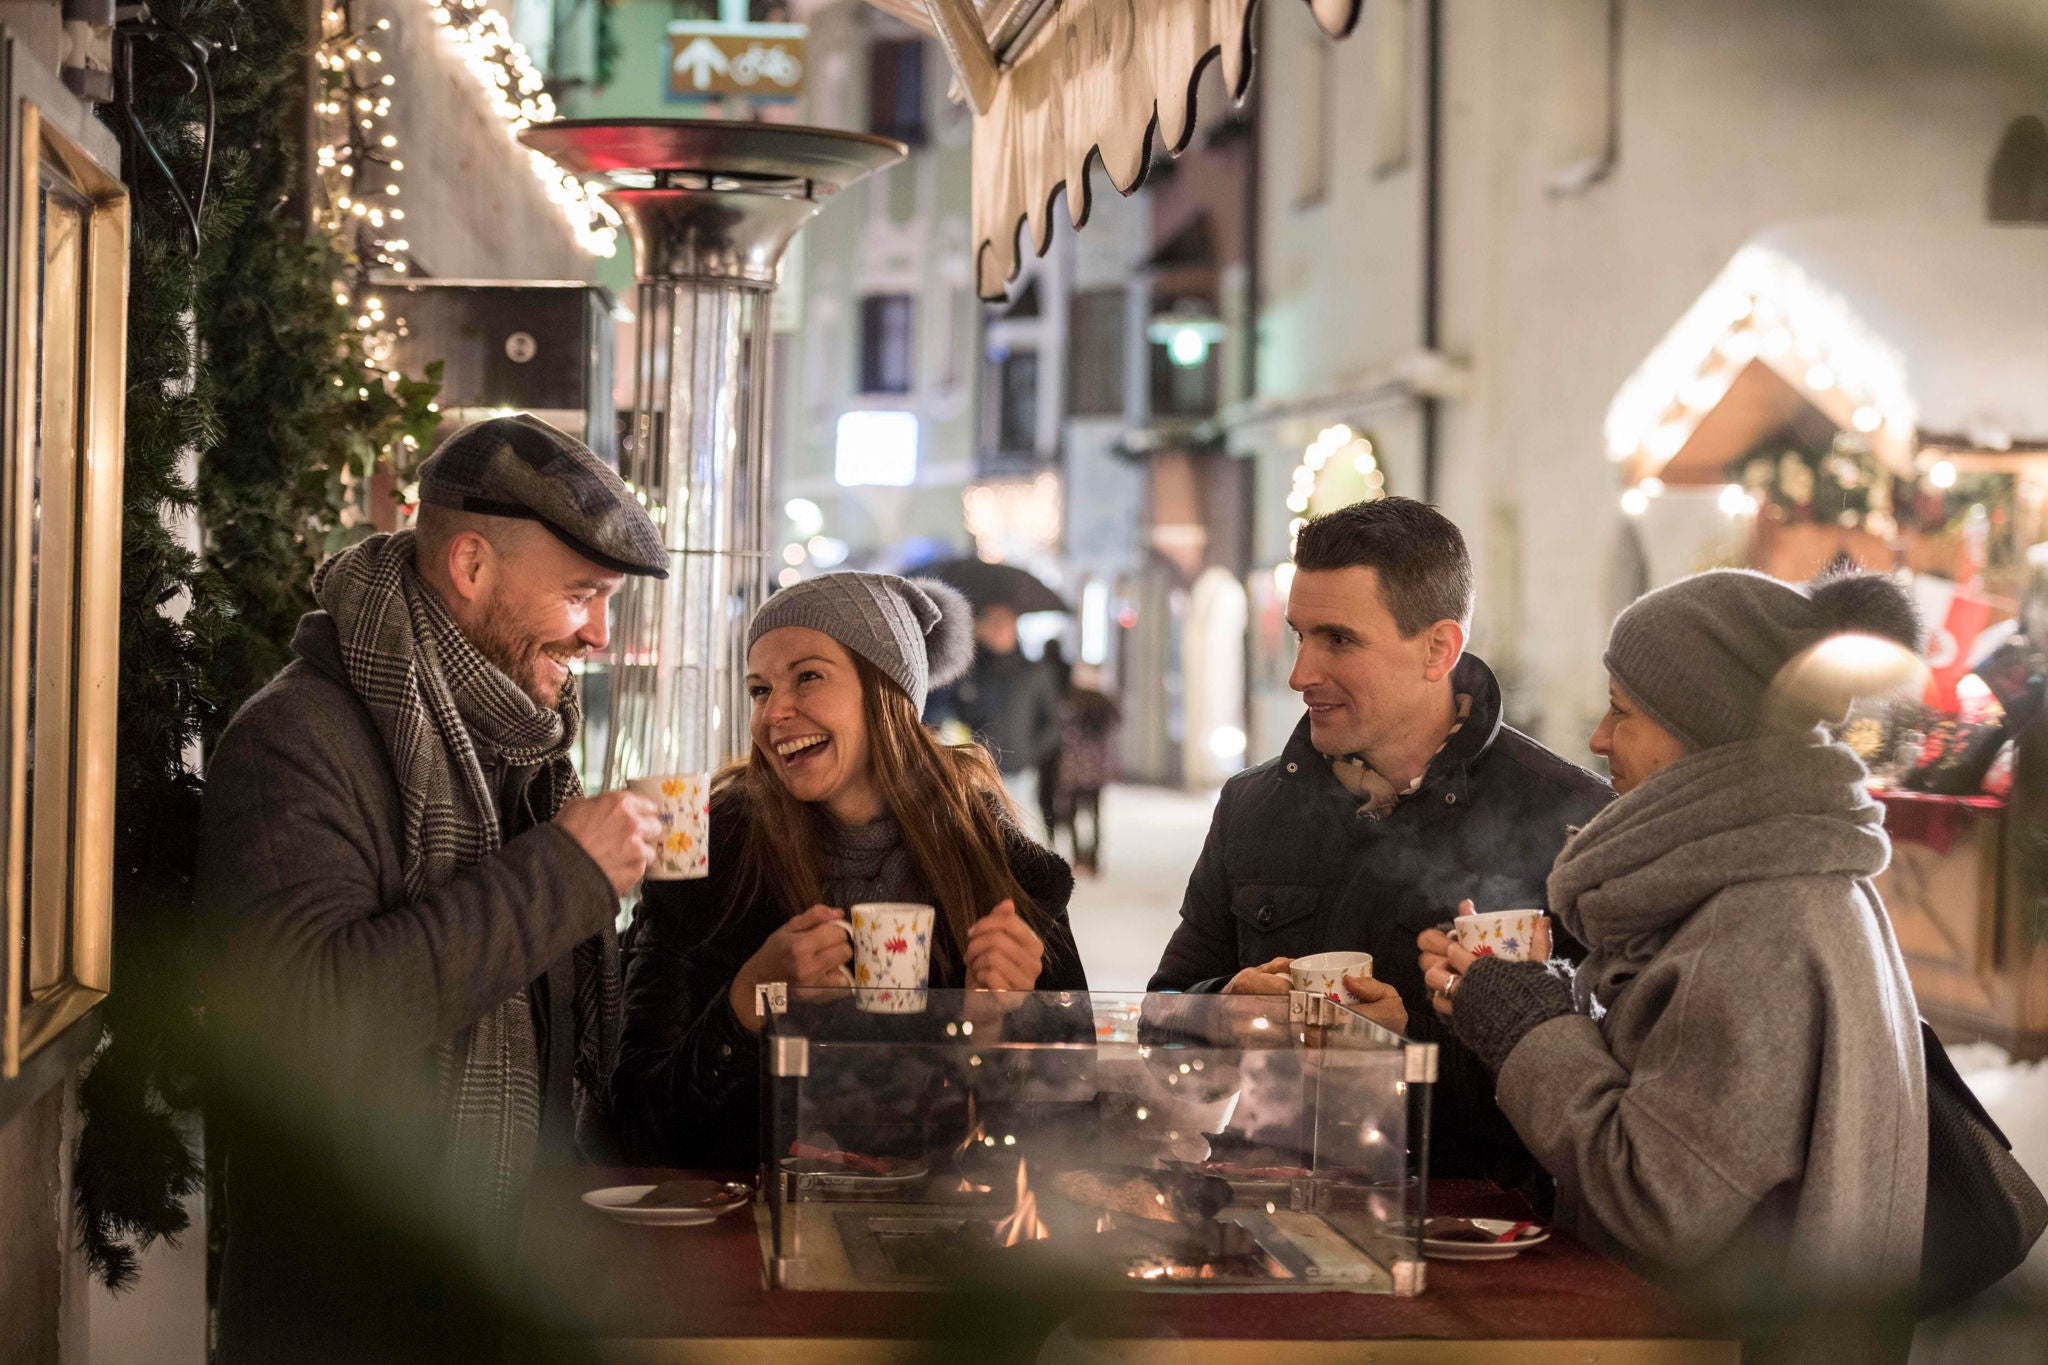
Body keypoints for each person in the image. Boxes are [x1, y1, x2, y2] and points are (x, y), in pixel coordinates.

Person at [197, 414, 669, 1362]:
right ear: (469, 566)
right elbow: (311, 1020)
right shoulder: (295, 739)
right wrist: (568, 874)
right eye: (582, 594)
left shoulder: (521, 747)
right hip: (350, 1317)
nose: (600, 635)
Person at [1420, 568, 1927, 1363]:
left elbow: (1660, 1194)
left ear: (1706, 738)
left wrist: (1526, 1025)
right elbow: (1698, 1101)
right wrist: (1547, 1003)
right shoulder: (1792, 873)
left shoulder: (1761, 919)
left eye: (1623, 709)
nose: (1596, 736)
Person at [1148, 497, 1613, 1197]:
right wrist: (1223, 1007)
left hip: (1484, 1245)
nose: (1300, 672)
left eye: (1338, 640)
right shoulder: (1253, 807)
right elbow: (1163, 1024)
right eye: (1300, 634)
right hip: (1268, 1220)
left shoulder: (1570, 817)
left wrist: (1410, 1045)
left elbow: (1603, 1087)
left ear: (1439, 649)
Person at [614, 572, 1090, 1169]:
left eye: (807, 677)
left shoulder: (996, 864)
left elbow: (1071, 1129)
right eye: (759, 690)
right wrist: (747, 1003)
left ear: (886, 690)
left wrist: (991, 1030)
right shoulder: (709, 855)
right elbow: (632, 1125)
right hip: (750, 1234)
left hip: (930, 1243)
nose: (774, 713)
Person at [940, 601, 1064, 824]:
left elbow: (1052, 723)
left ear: (1014, 627)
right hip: (977, 770)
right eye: (991, 623)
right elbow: (955, 711)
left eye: (1002, 623)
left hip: (1020, 771)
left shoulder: (1034, 671)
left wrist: (1029, 754)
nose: (996, 629)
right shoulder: (970, 671)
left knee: (1022, 833)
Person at [1054, 663, 1122, 874]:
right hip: (1094, 771)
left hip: (1076, 770)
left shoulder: (1072, 702)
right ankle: (1092, 858)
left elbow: (1065, 733)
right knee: (1093, 815)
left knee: (1075, 814)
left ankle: (1079, 857)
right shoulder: (1104, 703)